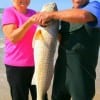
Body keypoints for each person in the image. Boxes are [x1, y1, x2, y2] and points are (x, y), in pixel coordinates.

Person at [31, 0, 100, 100]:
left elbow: (83, 16)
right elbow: (61, 38)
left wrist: (51, 15)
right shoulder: (65, 16)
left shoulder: (95, 6)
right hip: (61, 73)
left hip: (82, 75)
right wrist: (46, 27)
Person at [1, 0, 48, 100]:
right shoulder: (9, 12)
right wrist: (29, 22)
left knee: (41, 97)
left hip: (37, 65)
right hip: (16, 67)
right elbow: (14, 38)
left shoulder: (34, 13)